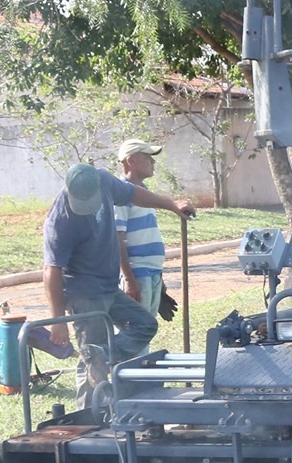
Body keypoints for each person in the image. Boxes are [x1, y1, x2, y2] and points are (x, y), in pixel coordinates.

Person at [42, 161, 196, 406]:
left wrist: (170, 204)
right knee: (91, 365)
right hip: (84, 295)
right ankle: (90, 419)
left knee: (144, 325)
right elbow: (51, 271)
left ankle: (103, 356)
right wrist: (58, 320)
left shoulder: (104, 180)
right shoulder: (60, 222)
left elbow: (135, 194)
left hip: (109, 288)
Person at [112, 138, 171, 353]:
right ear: (131, 161)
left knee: (147, 329)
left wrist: (161, 282)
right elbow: (117, 240)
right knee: (137, 330)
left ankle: (140, 378)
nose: (152, 162)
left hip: (152, 272)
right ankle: (132, 380)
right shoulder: (121, 195)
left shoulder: (145, 194)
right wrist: (129, 278)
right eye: (147, 158)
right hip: (138, 273)